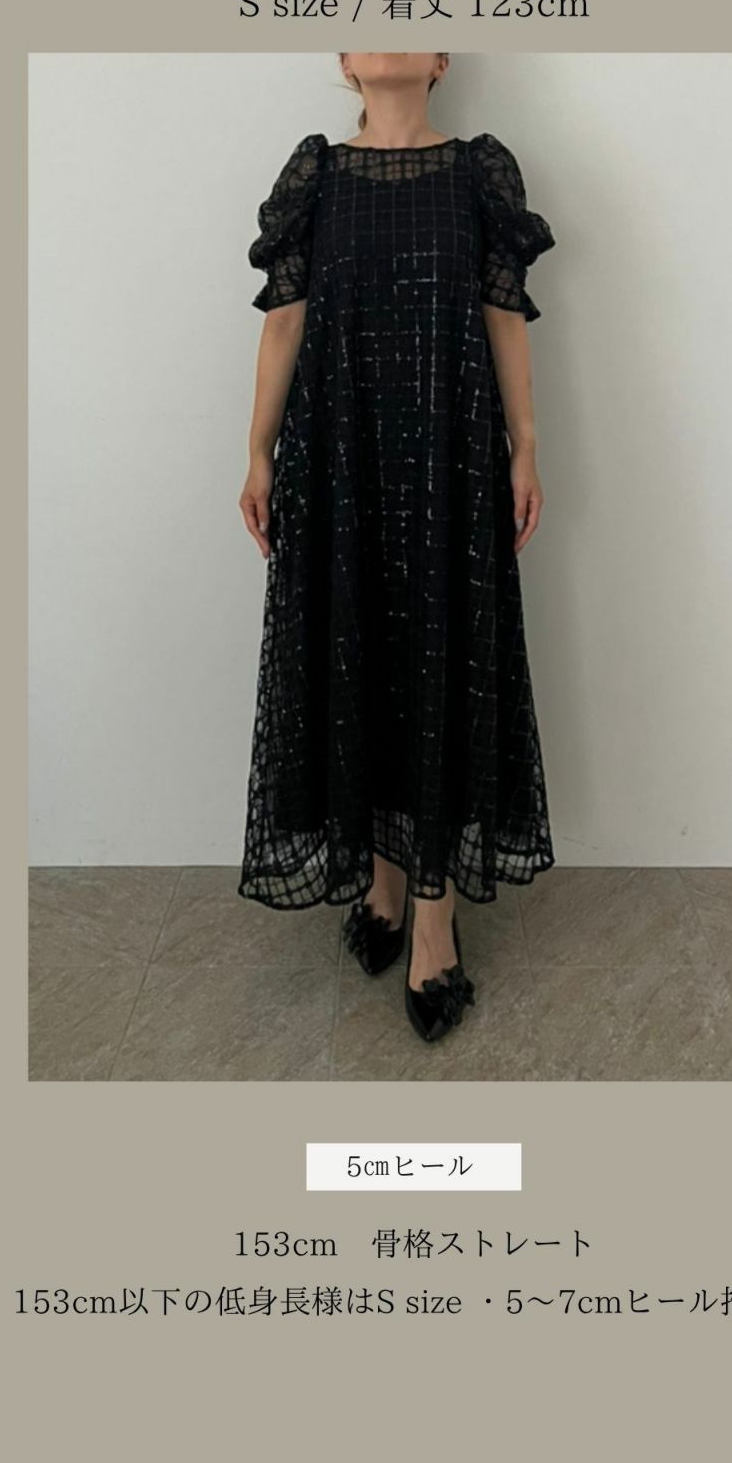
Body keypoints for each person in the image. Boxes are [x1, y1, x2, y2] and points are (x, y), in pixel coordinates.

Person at [237, 52, 556, 1044]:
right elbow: (284, 321)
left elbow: (503, 314)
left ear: (441, 57)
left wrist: (525, 444)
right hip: (339, 458)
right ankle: (379, 879)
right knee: (357, 653)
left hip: (450, 461)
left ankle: (432, 914)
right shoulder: (317, 175)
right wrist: (257, 450)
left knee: (441, 660)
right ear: (343, 59)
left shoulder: (478, 172)